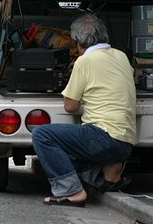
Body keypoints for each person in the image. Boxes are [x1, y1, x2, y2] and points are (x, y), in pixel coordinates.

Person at [32, 14, 136, 207]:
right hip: (126, 142)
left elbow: (70, 106)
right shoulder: (121, 56)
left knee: (42, 135)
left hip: (103, 135)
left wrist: (75, 75)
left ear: (78, 41)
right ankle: (107, 172)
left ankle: (72, 192)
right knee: (67, 155)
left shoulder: (84, 61)